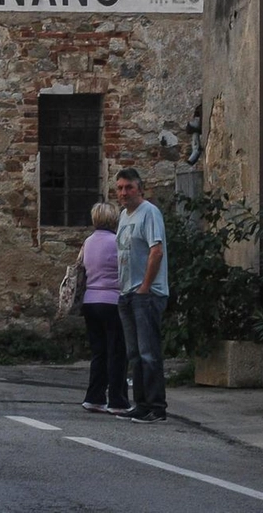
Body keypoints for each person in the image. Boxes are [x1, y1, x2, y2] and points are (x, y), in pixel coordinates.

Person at [114, 168, 170, 423]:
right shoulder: (124, 216)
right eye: (120, 188)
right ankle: (141, 403)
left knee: (149, 353)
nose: (124, 193)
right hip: (127, 293)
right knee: (134, 354)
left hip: (146, 294)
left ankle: (157, 407)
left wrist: (145, 287)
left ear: (140, 189)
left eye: (129, 188)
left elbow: (155, 251)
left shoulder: (149, 212)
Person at [79, 202, 131, 415]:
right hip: (112, 300)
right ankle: (118, 400)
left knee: (98, 351)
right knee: (117, 351)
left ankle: (94, 397)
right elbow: (126, 268)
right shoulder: (116, 241)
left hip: (90, 300)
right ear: (114, 219)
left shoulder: (88, 242)